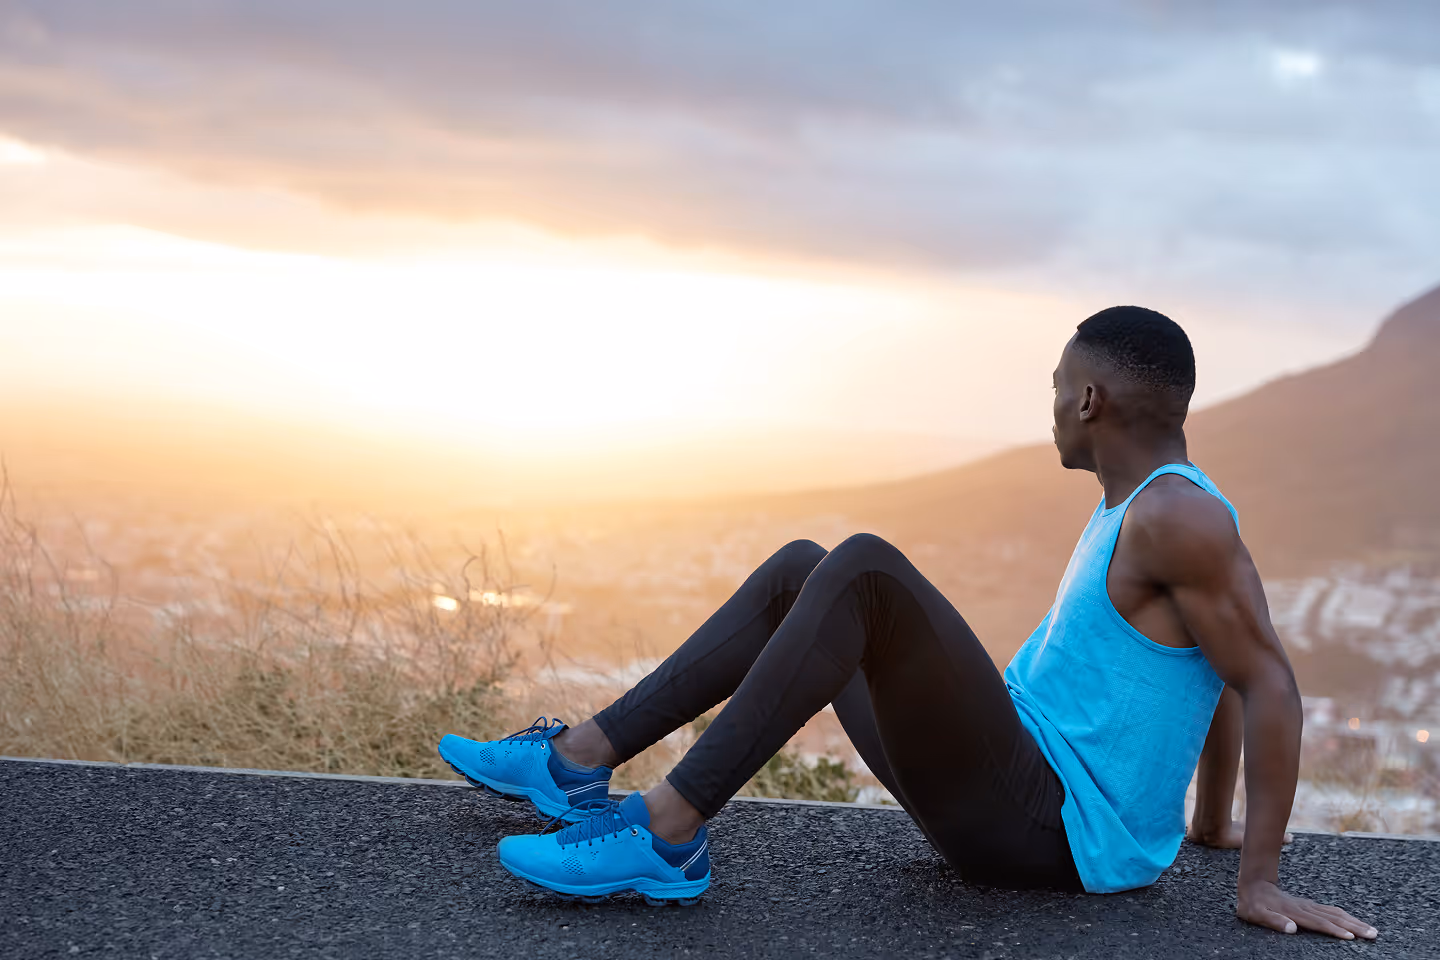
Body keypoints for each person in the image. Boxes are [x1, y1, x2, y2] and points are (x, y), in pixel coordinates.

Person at [439, 306, 1378, 940]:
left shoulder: (1180, 517)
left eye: (1058, 386)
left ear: (1090, 400)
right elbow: (1213, 670)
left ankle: (666, 833)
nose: (1050, 405)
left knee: (867, 570)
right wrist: (1208, 825)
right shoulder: (1137, 508)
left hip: (1049, 829)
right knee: (808, 568)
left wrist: (1255, 878)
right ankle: (574, 765)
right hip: (1012, 789)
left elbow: (1267, 680)